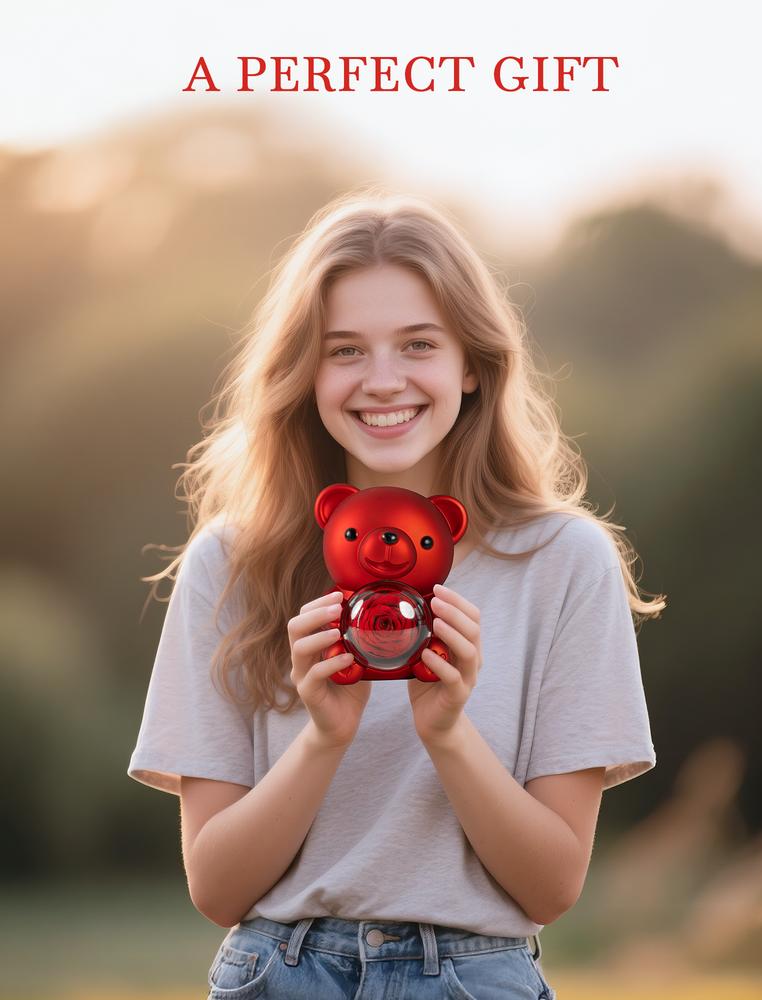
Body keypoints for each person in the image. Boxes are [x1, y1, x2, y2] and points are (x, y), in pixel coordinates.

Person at [128, 187, 665, 1000]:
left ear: (474, 365)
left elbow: (552, 887)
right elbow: (218, 888)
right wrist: (322, 738)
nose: (383, 381)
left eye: (418, 344)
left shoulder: (562, 560)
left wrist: (448, 732)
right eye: (344, 350)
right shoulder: (232, 562)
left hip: (476, 977)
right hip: (278, 971)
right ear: (305, 373)